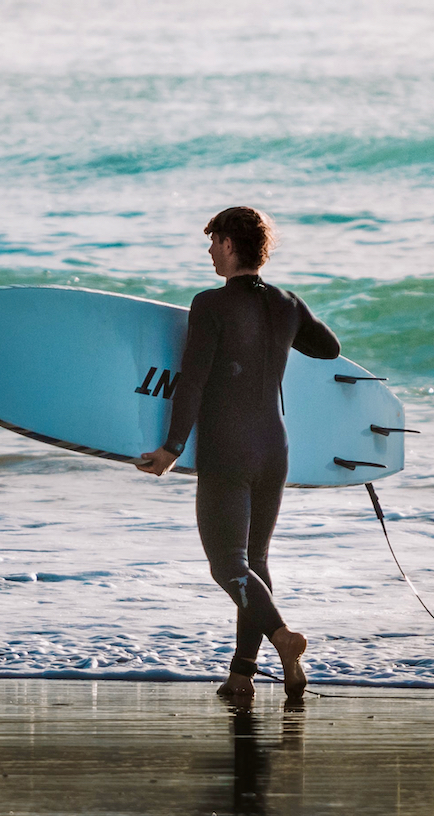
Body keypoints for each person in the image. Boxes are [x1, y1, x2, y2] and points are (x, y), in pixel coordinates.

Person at [136, 206, 340, 702]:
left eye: (213, 242)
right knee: (256, 562)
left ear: (230, 244)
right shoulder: (289, 303)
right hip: (275, 448)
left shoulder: (210, 305)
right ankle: (242, 676)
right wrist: (283, 331)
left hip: (229, 449)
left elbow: (194, 383)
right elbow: (329, 348)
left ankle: (283, 637)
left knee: (227, 565)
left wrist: (172, 447)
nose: (209, 251)